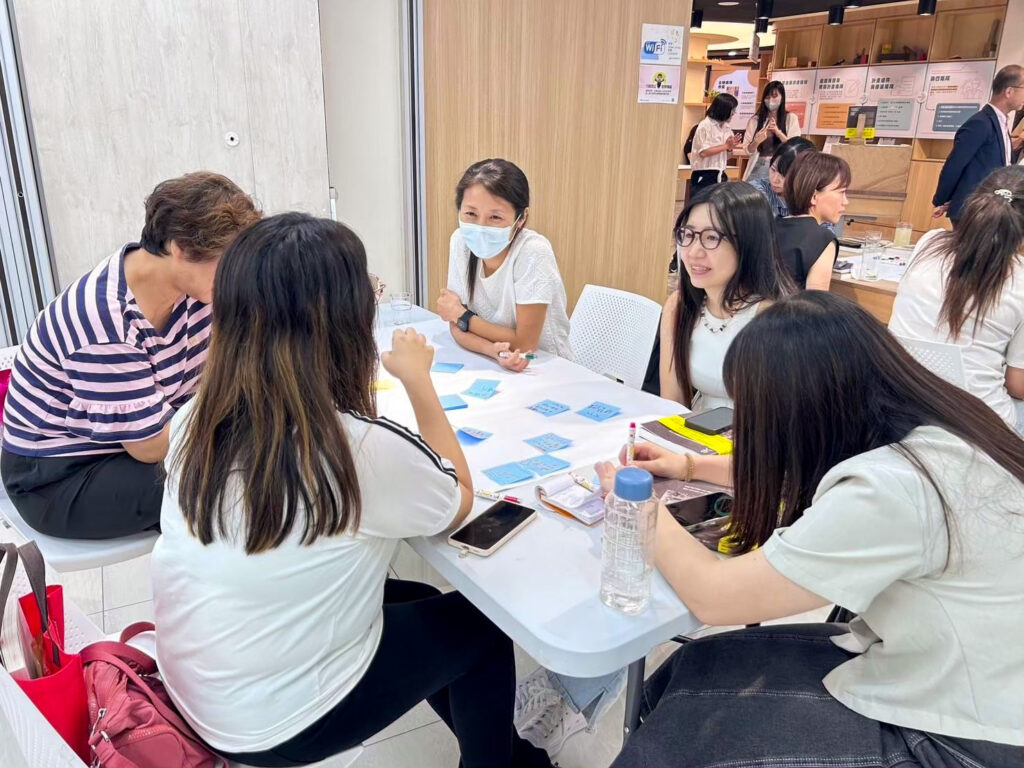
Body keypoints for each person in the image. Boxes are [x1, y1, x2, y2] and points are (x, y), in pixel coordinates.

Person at [152, 213, 552, 768]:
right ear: (344, 321)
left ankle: (505, 753)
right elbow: (458, 497)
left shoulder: (196, 416)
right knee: (483, 629)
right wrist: (419, 382)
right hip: (276, 725)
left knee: (420, 600)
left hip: (196, 683)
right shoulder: (354, 450)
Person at [603, 292, 1024, 768]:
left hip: (968, 731)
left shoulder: (890, 490)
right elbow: (797, 464)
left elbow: (714, 597)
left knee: (681, 739)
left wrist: (636, 503)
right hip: (951, 666)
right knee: (694, 665)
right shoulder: (936, 421)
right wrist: (688, 466)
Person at [0, 172, 260, 539]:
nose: (237, 274)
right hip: (58, 478)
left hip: (129, 440)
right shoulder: (103, 322)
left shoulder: (197, 289)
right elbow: (151, 447)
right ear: (180, 248)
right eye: (227, 261)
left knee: (259, 449)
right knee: (232, 475)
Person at [890, 166, 1024, 432]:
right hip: (979, 425)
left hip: (901, 402)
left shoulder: (929, 243)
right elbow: (1016, 384)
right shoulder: (1019, 280)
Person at [661, 181, 792, 411]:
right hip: (695, 431)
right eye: (688, 235)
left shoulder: (773, 319)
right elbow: (672, 403)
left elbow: (783, 419)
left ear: (749, 244)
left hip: (753, 433)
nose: (693, 252)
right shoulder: (679, 307)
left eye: (711, 237)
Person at [437, 158, 572, 367]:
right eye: (471, 213)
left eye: (495, 217)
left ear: (522, 218)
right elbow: (455, 326)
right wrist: (491, 350)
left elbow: (525, 343)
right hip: (494, 360)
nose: (480, 227)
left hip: (543, 365)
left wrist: (462, 315)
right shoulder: (460, 242)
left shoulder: (533, 251)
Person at [933, 65, 1024, 227]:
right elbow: (955, 164)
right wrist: (941, 200)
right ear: (1009, 91)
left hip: (990, 209)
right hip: (973, 210)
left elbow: (997, 162)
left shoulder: (1000, 122)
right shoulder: (980, 123)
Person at [775, 151, 848, 290]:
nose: (845, 201)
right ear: (814, 196)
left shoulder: (771, 225)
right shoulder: (822, 239)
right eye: (841, 192)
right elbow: (815, 301)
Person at [749, 136, 836, 235]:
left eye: (784, 175)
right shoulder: (757, 190)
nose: (775, 179)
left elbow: (826, 235)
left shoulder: (814, 199)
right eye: (773, 169)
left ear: (805, 175)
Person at [742, 81, 802, 183]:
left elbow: (795, 147)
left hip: (781, 168)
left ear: (782, 97)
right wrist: (756, 141)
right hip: (758, 166)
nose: (770, 100)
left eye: (774, 96)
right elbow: (747, 151)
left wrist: (778, 133)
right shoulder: (755, 120)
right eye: (767, 97)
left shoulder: (790, 118)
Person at [689, 93, 740, 193]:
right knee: (703, 202)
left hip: (721, 173)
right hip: (704, 174)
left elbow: (727, 156)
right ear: (723, 109)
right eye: (732, 110)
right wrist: (726, 146)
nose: (734, 113)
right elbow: (703, 152)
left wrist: (730, 148)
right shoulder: (705, 126)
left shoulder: (727, 127)